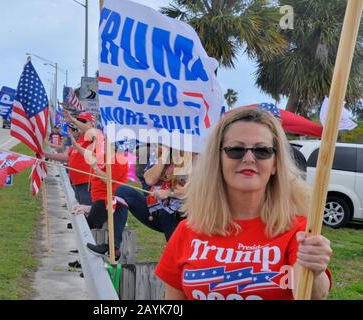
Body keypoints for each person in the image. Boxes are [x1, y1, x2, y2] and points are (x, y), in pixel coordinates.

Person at [155, 107, 332, 300]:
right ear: (218, 160)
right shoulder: (186, 231)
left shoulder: (298, 230)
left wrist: (314, 267)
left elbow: (312, 294)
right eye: (236, 150)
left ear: (275, 164)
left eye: (262, 151)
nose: (249, 158)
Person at [87, 145, 190, 260]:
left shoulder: (186, 159)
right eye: (159, 144)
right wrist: (163, 157)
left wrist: (169, 193)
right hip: (153, 211)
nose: (157, 147)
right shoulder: (161, 158)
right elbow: (149, 179)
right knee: (122, 191)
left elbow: (193, 190)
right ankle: (113, 248)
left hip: (174, 216)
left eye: (161, 144)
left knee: (177, 258)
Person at [44, 112, 96, 205]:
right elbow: (66, 157)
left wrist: (73, 120)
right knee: (81, 211)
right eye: (78, 120)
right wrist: (44, 154)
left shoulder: (93, 136)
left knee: (87, 214)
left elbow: (90, 131)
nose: (78, 123)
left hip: (87, 184)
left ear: (92, 124)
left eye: (83, 121)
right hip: (77, 183)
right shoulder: (79, 139)